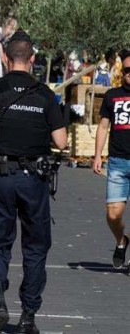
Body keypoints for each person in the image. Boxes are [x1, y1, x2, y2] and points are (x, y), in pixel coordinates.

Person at [0, 30, 67, 334]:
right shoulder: (45, 94)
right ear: (32, 59)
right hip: (33, 179)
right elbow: (60, 141)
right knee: (35, 247)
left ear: (5, 58)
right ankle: (28, 316)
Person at [93, 49, 130, 269]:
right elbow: (104, 126)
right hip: (117, 161)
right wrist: (97, 155)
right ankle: (121, 241)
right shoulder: (112, 96)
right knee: (113, 214)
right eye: (127, 70)